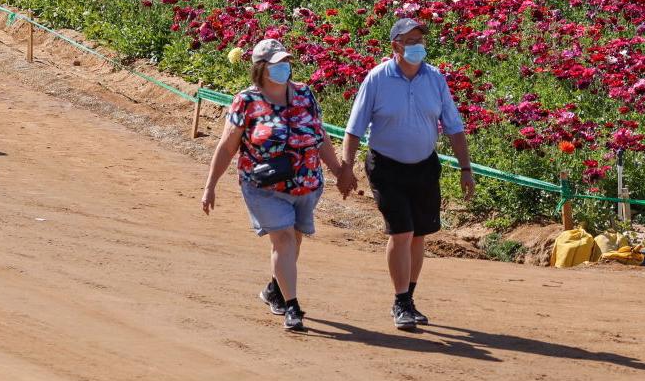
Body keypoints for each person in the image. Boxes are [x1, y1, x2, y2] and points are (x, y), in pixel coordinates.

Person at [201, 38, 345, 334]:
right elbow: (228, 146)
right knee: (283, 238)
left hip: (305, 183)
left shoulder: (305, 94)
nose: (284, 68)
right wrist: (210, 185)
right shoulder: (247, 101)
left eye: (286, 62)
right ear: (261, 68)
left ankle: (275, 289)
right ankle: (293, 308)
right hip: (263, 186)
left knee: (295, 238)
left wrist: (341, 171)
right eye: (277, 64)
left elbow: (320, 137)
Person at [339, 18, 474, 331]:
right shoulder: (376, 79)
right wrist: (346, 166)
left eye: (420, 39)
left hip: (425, 165)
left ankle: (408, 298)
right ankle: (400, 301)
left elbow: (453, 127)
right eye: (410, 40)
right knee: (401, 232)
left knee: (418, 234)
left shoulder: (435, 79)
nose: (417, 45)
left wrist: (466, 169)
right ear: (395, 46)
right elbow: (354, 128)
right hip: (386, 166)